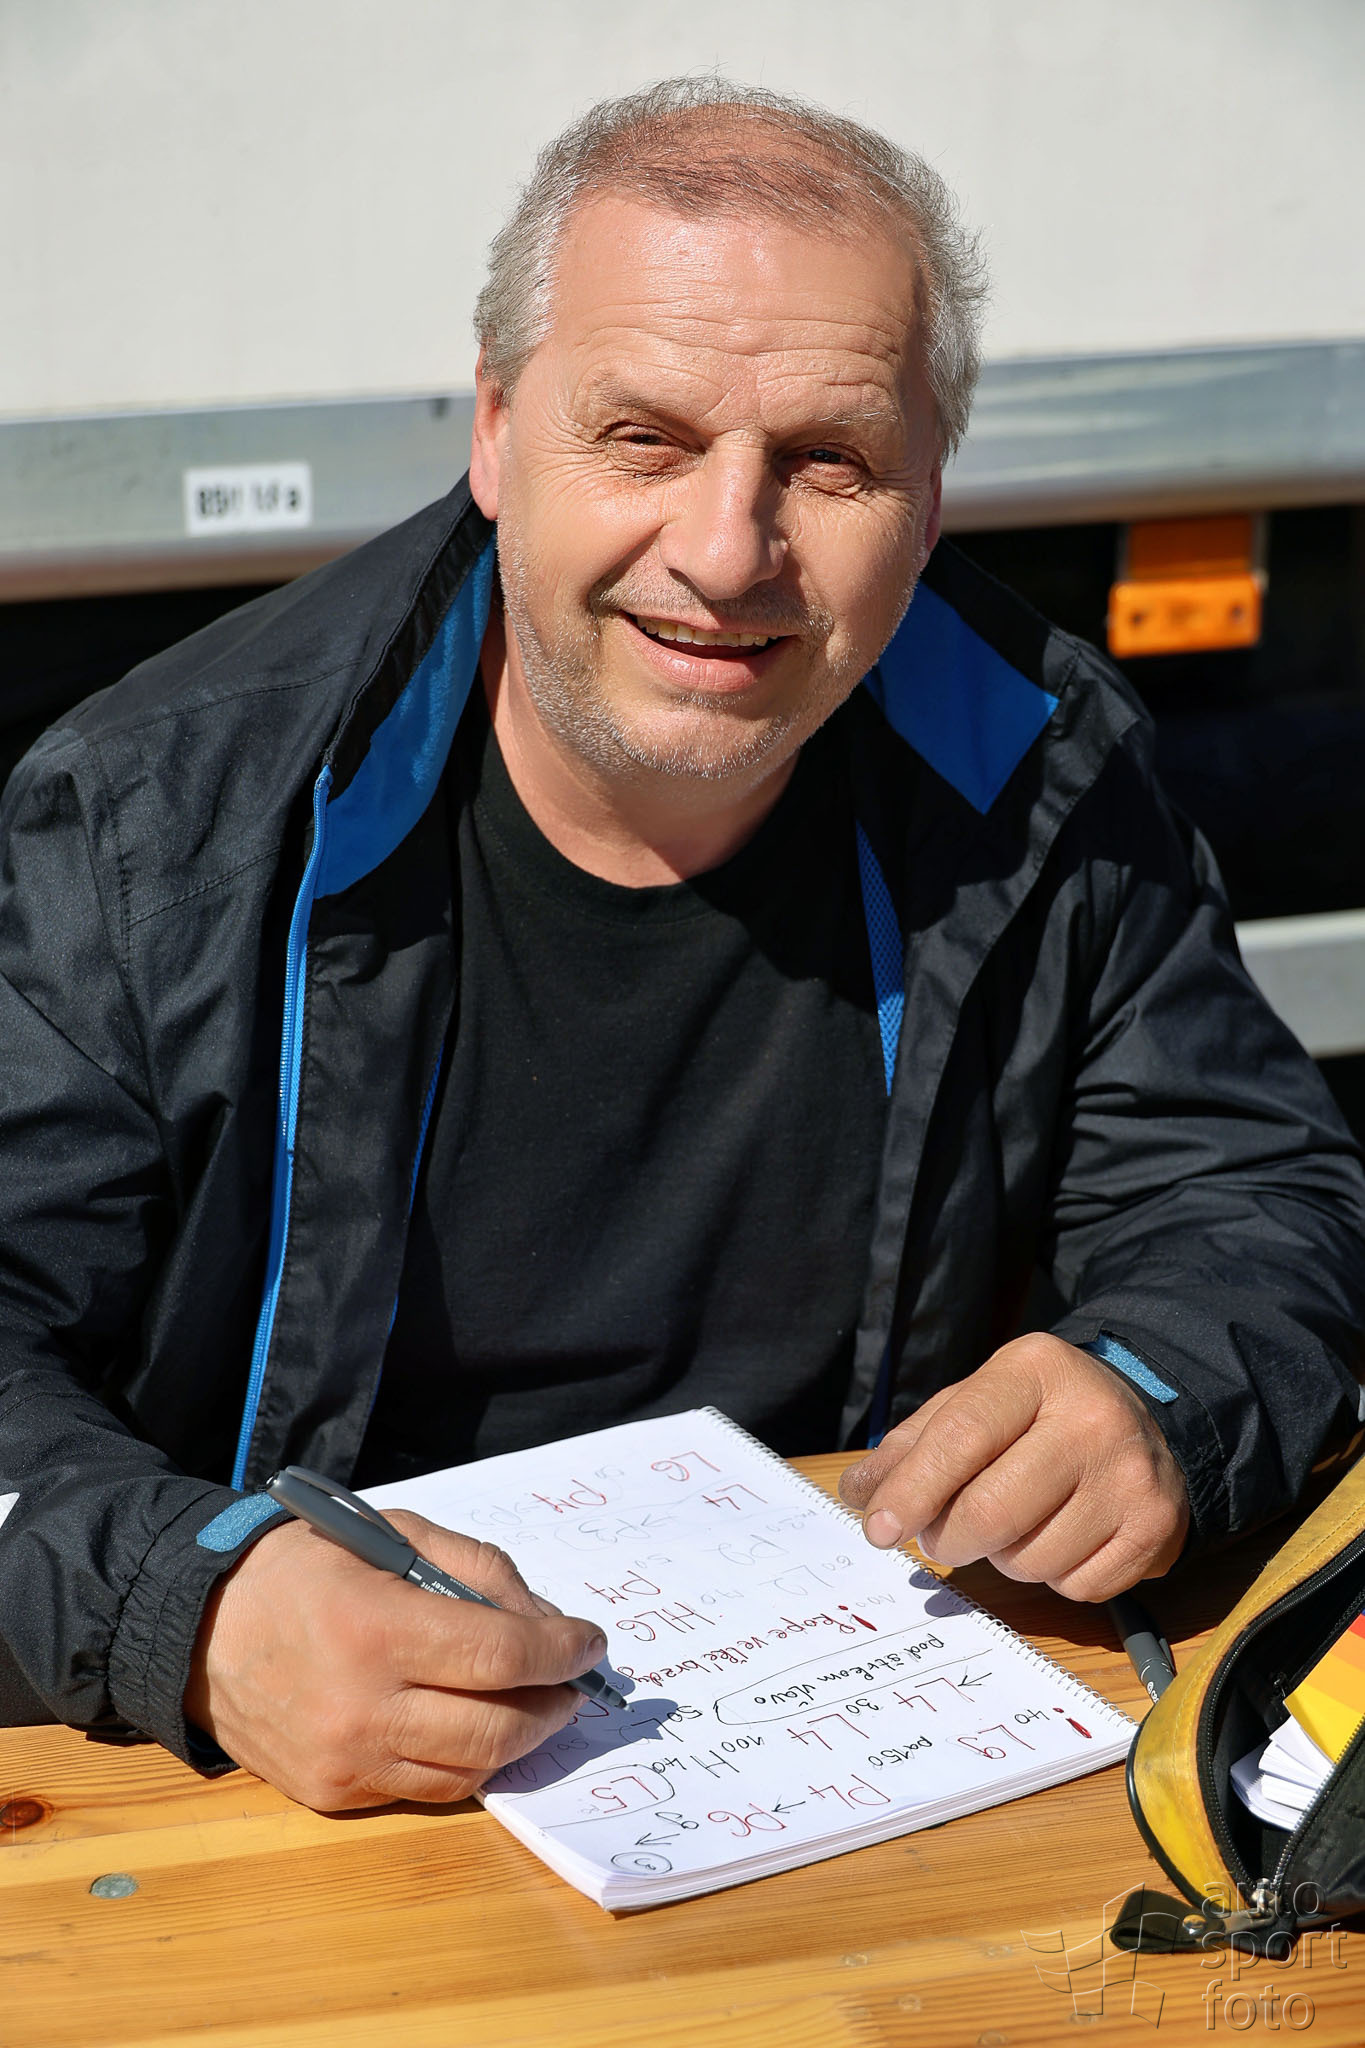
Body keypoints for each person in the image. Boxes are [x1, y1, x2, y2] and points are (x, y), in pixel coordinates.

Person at [1, 79, 1362, 1813]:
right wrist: (193, 1606)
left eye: (828, 461)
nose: (727, 555)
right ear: (497, 431)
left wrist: (1153, 1388)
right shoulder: (157, 820)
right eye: (642, 437)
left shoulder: (1040, 767)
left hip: (859, 1747)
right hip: (292, 1798)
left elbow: (1251, 1194)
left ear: (931, 493)